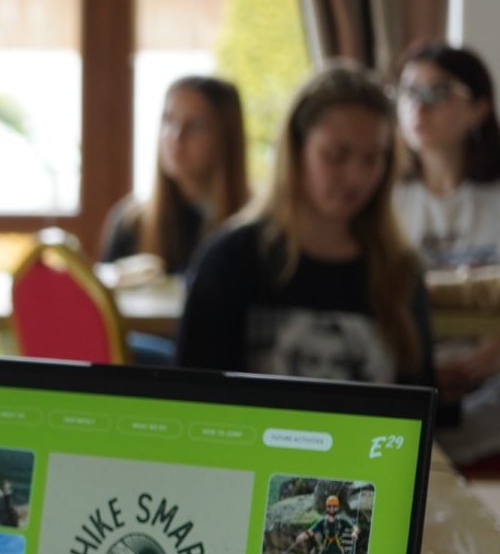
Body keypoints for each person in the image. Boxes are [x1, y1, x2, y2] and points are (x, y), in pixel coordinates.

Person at [177, 62, 438, 391]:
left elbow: (421, 401)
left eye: (372, 158)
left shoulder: (400, 269)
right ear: (296, 150)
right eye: (336, 155)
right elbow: (193, 396)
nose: (356, 176)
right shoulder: (230, 261)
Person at [392, 41, 500, 463]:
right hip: (405, 386)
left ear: (479, 109)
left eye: (437, 92)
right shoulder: (382, 200)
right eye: (408, 92)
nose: (418, 107)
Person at [102, 75, 251, 274]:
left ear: (226, 136)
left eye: (197, 124)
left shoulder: (255, 226)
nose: (177, 136)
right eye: (168, 120)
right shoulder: (131, 223)